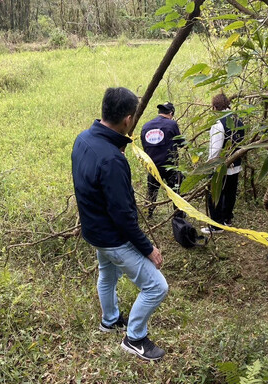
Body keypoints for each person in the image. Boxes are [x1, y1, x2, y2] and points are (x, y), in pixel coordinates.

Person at [71, 87, 168, 361]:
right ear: (128, 119)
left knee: (108, 275)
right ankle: (135, 338)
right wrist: (148, 248)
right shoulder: (112, 159)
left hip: (94, 231)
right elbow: (124, 215)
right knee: (156, 287)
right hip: (113, 238)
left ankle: (110, 320)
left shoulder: (83, 140)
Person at [201, 93, 244, 234]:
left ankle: (216, 225)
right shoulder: (239, 119)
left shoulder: (218, 122)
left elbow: (215, 148)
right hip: (236, 164)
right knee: (230, 193)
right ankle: (227, 219)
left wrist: (209, 166)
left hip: (221, 166)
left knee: (214, 194)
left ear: (215, 107)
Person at [141, 102, 184, 218]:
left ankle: (148, 215)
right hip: (170, 165)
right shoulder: (172, 124)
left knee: (152, 191)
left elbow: (144, 147)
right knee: (176, 191)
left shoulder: (146, 126)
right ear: (171, 113)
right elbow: (182, 144)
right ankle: (179, 215)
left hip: (152, 166)